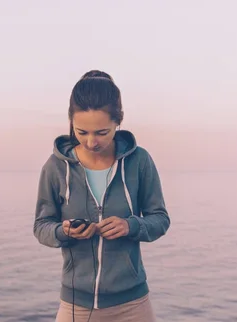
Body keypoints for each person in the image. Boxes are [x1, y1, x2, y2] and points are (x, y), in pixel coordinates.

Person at [33, 70, 171, 322]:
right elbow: (41, 226)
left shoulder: (139, 162)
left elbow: (160, 219)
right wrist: (64, 231)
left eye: (102, 132)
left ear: (118, 121)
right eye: (81, 132)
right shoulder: (55, 167)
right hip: (76, 304)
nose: (91, 142)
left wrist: (130, 226)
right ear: (71, 121)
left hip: (133, 304)